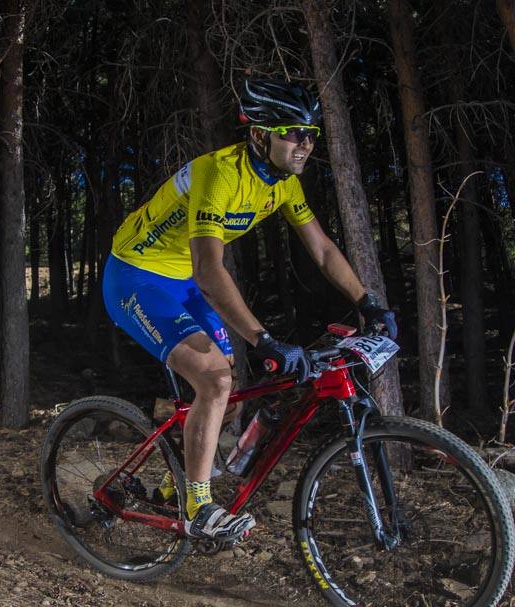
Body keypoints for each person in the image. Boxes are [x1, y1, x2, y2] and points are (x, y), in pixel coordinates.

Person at [102, 78, 397, 543]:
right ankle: (198, 506)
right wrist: (263, 338)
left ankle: (169, 484)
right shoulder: (219, 175)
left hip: (179, 280)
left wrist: (368, 302)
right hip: (136, 277)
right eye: (294, 133)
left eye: (311, 134)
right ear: (260, 135)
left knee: (228, 378)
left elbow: (321, 249)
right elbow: (209, 271)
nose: (305, 144)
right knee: (215, 378)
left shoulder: (281, 184)